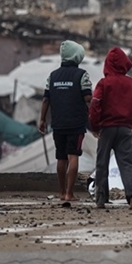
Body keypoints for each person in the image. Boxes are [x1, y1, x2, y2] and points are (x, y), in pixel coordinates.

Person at [88, 47, 132, 210]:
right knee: (128, 162)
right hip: (126, 128)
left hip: (106, 129)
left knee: (102, 163)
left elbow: (95, 105)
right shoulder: (131, 83)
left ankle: (101, 198)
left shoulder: (103, 83)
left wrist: (95, 125)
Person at [38, 40, 93, 203]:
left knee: (61, 158)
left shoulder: (53, 76)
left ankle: (62, 193)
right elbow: (88, 98)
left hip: (58, 123)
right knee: (73, 156)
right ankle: (70, 193)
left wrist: (42, 119)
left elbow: (46, 99)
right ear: (77, 56)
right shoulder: (82, 74)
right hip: (76, 123)